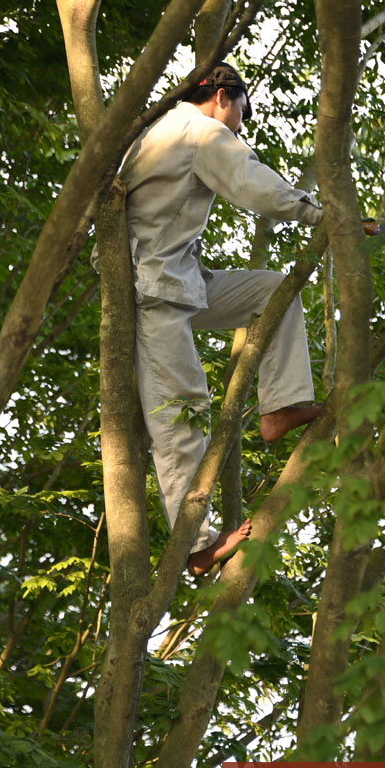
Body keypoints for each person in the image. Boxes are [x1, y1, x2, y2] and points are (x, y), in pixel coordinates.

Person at [120, 63, 323, 577]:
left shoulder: (164, 131)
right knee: (181, 407)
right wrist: (325, 215)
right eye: (242, 115)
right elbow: (253, 185)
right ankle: (195, 545)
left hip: (181, 278)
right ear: (222, 97)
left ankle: (281, 406)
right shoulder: (196, 129)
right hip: (154, 290)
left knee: (274, 288)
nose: (240, 128)